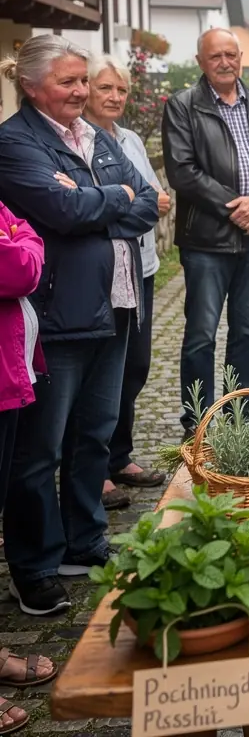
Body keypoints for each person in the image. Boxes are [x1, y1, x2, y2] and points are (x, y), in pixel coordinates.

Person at [0, 36, 159, 616]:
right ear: (32, 85)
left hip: (115, 304)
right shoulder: (15, 143)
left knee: (95, 432)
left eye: (82, 80)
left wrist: (100, 198)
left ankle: (82, 542)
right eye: (68, 82)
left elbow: (147, 203)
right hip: (59, 316)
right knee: (41, 449)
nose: (80, 91)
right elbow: (61, 213)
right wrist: (108, 199)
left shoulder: (94, 136)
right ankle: (36, 565)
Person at [162, 28, 249, 432]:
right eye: (215, 56)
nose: (225, 62)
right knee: (201, 333)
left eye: (231, 55)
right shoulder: (182, 106)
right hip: (206, 241)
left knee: (248, 331)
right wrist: (234, 208)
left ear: (239, 58)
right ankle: (197, 418)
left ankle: (242, 415)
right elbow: (182, 172)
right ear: (201, 62)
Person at [84, 54, 170, 510]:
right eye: (105, 88)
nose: (115, 97)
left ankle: (119, 456)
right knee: (100, 374)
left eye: (120, 89)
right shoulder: (80, 140)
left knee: (134, 366)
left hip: (143, 266)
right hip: (102, 273)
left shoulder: (131, 138)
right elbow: (105, 206)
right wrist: (131, 201)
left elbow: (156, 199)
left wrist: (133, 200)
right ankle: (93, 471)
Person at [0, 199, 59, 727]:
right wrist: (21, 242)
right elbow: (18, 266)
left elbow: (26, 237)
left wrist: (20, 239)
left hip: (7, 378)